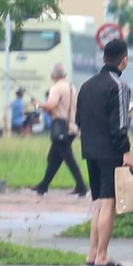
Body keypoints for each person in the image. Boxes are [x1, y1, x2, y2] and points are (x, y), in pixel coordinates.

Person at [79, 38, 133, 265]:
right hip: (110, 151)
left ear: (104, 58)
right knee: (109, 203)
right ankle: (102, 255)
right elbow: (120, 124)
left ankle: (92, 253)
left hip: (89, 149)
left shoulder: (86, 85)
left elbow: (79, 119)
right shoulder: (119, 87)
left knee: (101, 203)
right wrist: (126, 152)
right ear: (124, 61)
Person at [34, 62, 84, 197]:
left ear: (52, 76)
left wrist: (39, 105)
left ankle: (82, 186)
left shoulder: (56, 88)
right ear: (65, 75)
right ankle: (43, 185)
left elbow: (51, 106)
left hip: (61, 128)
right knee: (54, 157)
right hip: (72, 126)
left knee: (68, 159)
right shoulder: (72, 87)